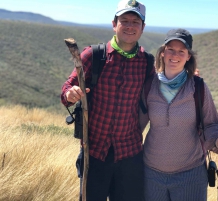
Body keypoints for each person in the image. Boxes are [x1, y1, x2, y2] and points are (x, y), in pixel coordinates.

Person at [60, 1, 154, 201]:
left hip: (130, 153)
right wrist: (70, 94)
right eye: (124, 21)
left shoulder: (147, 62)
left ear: (143, 27)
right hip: (94, 152)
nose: (129, 26)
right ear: (114, 24)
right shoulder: (93, 55)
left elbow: (159, 93)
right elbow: (67, 89)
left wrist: (189, 78)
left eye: (135, 22)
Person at [139, 28, 218, 201]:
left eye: (181, 51)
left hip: (190, 175)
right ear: (162, 52)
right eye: (171, 50)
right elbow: (135, 126)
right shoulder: (149, 86)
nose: (175, 55)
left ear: (188, 56)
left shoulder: (197, 87)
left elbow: (211, 124)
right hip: (151, 174)